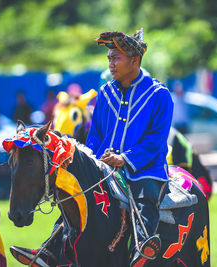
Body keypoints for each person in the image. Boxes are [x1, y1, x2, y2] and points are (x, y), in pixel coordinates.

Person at [11, 28, 173, 267]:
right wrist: (93, 163)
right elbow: (95, 135)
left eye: (116, 58)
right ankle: (50, 251)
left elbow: (156, 140)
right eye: (109, 58)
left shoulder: (160, 95)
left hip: (144, 168)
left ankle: (142, 248)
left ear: (135, 60)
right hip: (105, 168)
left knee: (144, 195)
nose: (111, 64)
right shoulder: (106, 93)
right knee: (74, 196)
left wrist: (124, 159)